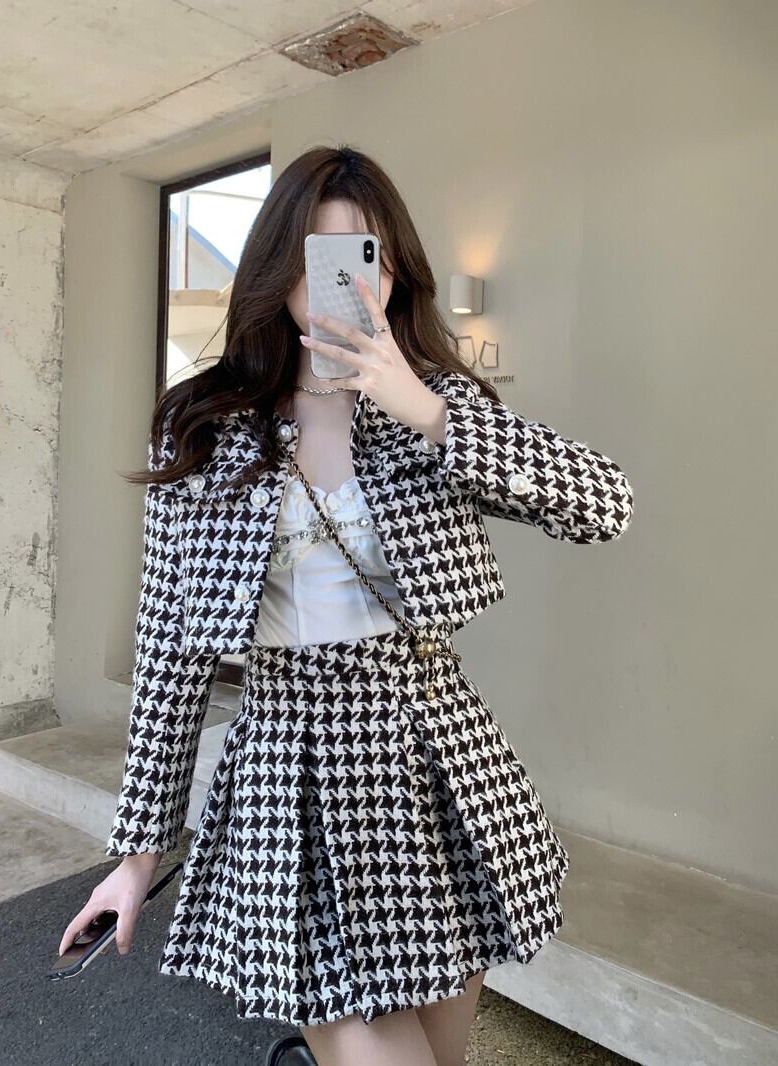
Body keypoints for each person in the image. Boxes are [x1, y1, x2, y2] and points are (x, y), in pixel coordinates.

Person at [59, 144, 634, 1066]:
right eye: (319, 258)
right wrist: (137, 855)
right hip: (289, 770)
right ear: (276, 269)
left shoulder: (433, 405)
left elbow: (605, 505)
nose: (345, 282)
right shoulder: (204, 420)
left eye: (369, 258)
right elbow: (169, 646)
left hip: (432, 759)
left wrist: (427, 410)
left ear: (395, 272)